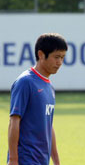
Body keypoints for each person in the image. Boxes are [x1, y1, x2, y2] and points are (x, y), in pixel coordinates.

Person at [7, 33, 68, 165]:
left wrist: (56, 161)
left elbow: (48, 125)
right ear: (41, 54)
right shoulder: (25, 82)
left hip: (42, 160)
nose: (60, 62)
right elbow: (14, 121)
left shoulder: (49, 87)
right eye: (56, 57)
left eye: (62, 58)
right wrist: (13, 159)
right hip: (25, 159)